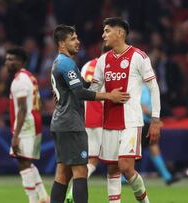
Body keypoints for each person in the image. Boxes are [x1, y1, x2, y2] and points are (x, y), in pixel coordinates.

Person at [49, 25, 130, 203]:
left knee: (62, 173)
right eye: (73, 39)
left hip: (61, 122)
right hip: (71, 123)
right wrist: (110, 96)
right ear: (62, 43)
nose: (78, 42)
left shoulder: (58, 62)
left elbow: (77, 88)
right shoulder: (66, 63)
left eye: (77, 38)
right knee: (81, 171)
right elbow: (80, 93)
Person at [90, 17, 161, 203]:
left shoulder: (139, 57)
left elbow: (154, 88)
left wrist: (155, 120)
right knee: (112, 168)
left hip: (131, 121)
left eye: (107, 31)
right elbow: (93, 92)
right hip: (109, 122)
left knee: (126, 167)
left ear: (120, 33)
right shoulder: (102, 60)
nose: (103, 35)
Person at [65, 45, 112, 203]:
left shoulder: (86, 66)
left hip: (85, 117)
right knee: (97, 160)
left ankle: (72, 190)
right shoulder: (108, 68)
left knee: (90, 159)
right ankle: (73, 191)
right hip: (101, 119)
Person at [5, 47, 50, 203]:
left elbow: (23, 109)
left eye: (11, 59)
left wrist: (16, 136)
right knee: (26, 161)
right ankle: (43, 197)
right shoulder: (29, 76)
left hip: (26, 124)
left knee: (23, 163)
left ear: (20, 62)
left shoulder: (20, 81)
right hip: (33, 121)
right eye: (7, 59)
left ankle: (33, 199)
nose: (7, 62)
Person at [140, 84, 179, 185]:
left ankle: (167, 177)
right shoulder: (143, 88)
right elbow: (143, 108)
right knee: (146, 149)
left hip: (145, 123)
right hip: (143, 123)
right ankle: (167, 176)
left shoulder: (146, 88)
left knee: (152, 148)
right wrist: (155, 118)